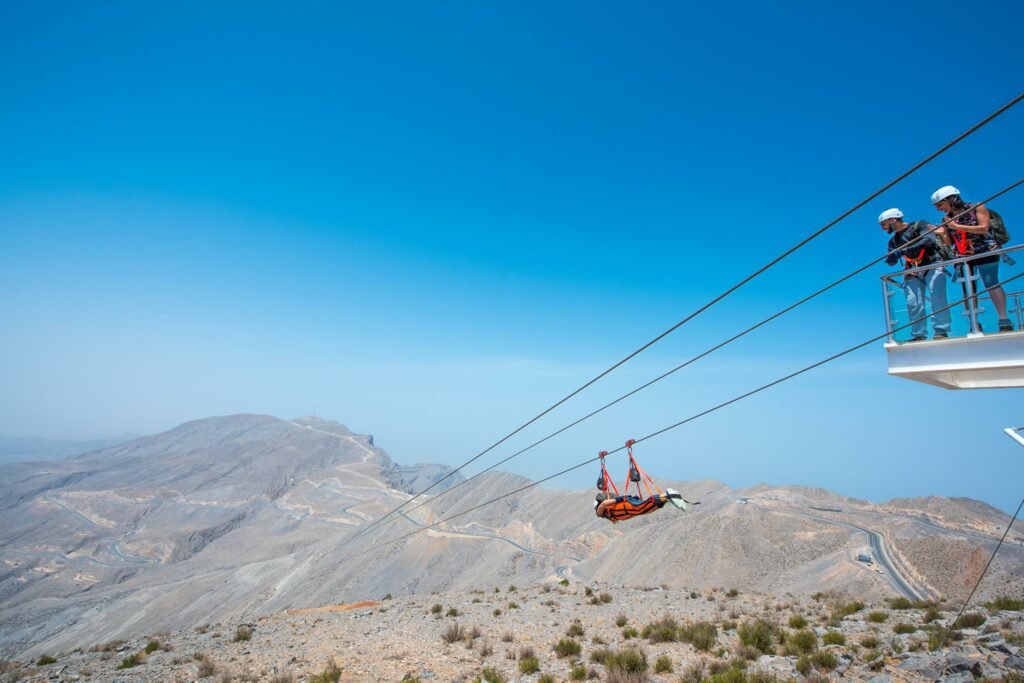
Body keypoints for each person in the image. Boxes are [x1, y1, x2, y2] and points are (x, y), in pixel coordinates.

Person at [931, 186, 1014, 332]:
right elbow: (950, 242)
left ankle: (1003, 319)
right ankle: (974, 323)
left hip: (985, 251)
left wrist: (957, 226)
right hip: (964, 257)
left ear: (951, 199)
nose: (938, 209)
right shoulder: (946, 219)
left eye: (940, 205)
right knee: (968, 291)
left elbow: (984, 228)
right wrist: (943, 234)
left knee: (992, 284)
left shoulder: (976, 207)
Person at [878, 208, 951, 341]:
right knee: (913, 303)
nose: (883, 228)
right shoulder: (893, 242)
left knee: (937, 297)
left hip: (932, 264)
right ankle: (919, 333)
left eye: (883, 224)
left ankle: (941, 330)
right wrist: (891, 258)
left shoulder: (919, 225)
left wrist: (905, 250)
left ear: (892, 220)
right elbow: (892, 262)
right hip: (912, 271)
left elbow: (929, 239)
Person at [594, 488, 687, 523]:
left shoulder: (600, 512)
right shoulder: (608, 514)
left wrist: (619, 499)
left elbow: (604, 504)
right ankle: (667, 498)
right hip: (630, 508)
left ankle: (667, 495)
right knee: (648, 509)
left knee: (643, 506)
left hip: (629, 505)